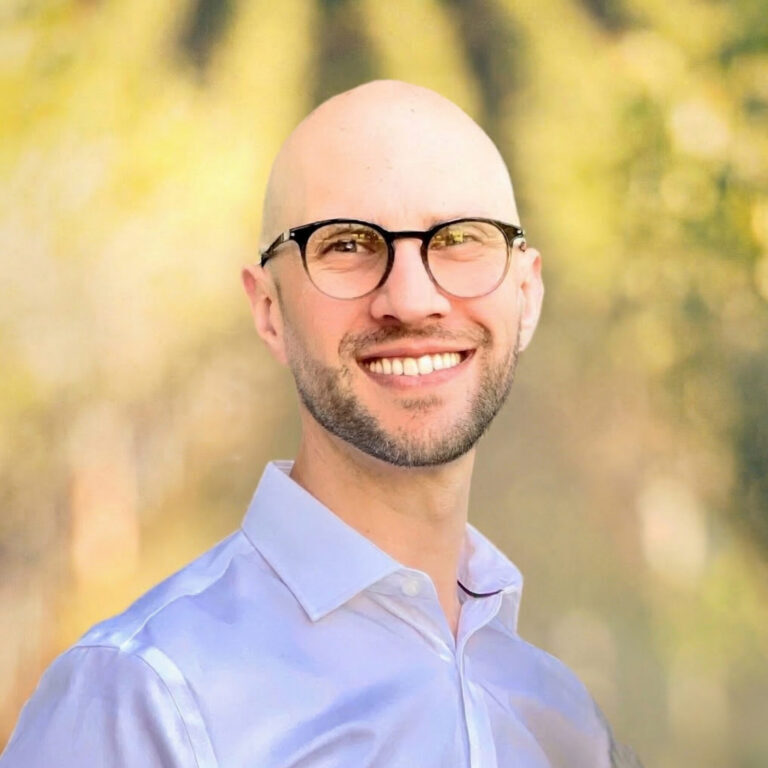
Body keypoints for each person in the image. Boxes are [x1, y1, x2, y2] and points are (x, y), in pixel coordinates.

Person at [0, 80, 642, 767]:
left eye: (459, 239)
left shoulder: (568, 726)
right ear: (269, 309)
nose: (410, 298)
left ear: (528, 294)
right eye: (346, 245)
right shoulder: (140, 700)